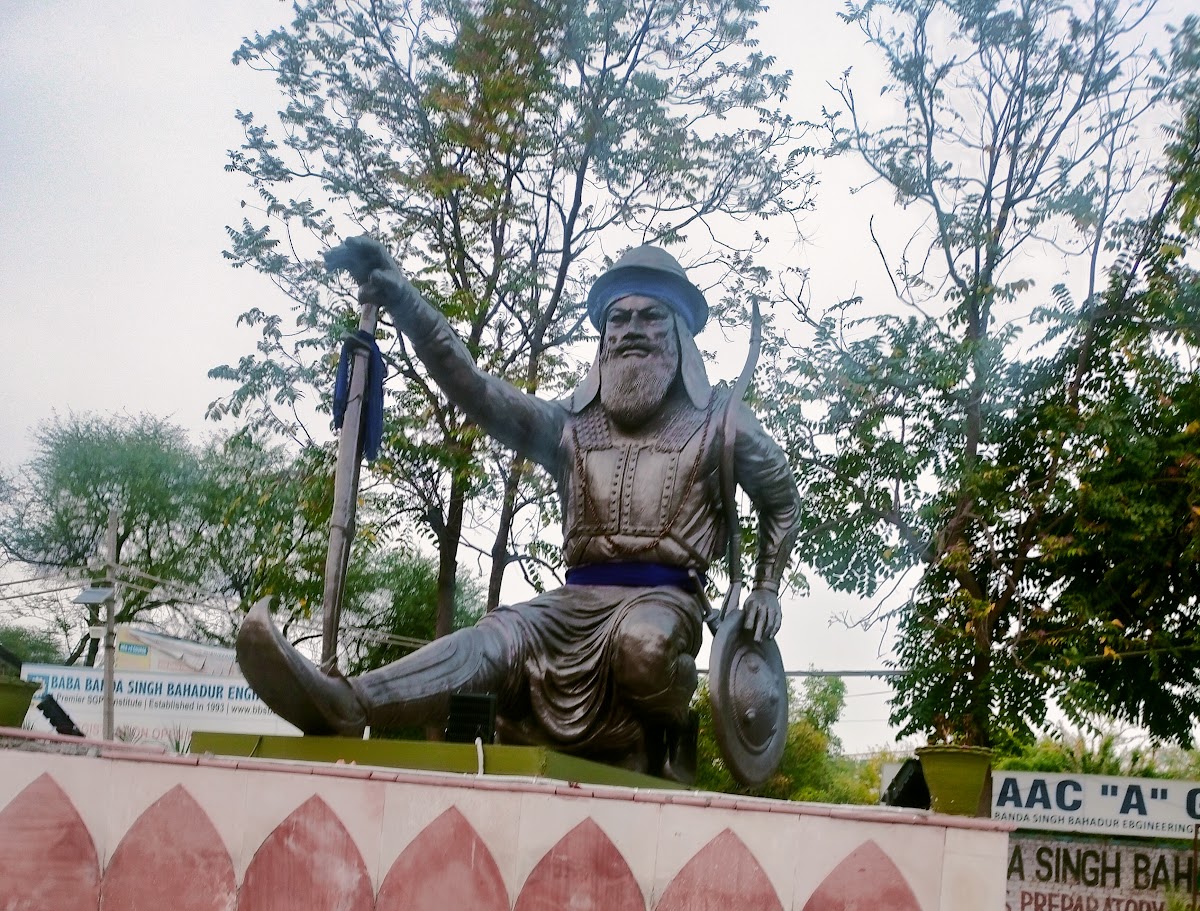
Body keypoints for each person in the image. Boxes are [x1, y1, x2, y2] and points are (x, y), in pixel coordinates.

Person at [236, 239, 800, 778]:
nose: (631, 331)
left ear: (678, 331)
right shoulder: (568, 427)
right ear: (602, 340)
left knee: (644, 646)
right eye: (618, 320)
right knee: (493, 640)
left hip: (663, 603)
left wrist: (767, 587)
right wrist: (403, 301)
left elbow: (781, 499)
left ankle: (666, 734)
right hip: (573, 603)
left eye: (649, 317)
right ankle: (349, 704)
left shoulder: (722, 425)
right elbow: (474, 388)